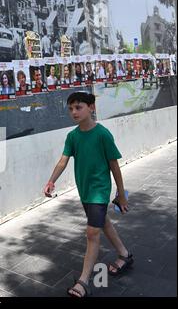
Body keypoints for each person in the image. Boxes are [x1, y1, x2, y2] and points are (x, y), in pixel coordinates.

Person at [43, 92, 132, 297]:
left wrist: (121, 194)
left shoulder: (103, 134)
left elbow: (114, 167)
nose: (74, 112)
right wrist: (51, 181)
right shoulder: (72, 136)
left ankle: (83, 282)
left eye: (78, 107)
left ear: (91, 107)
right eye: (71, 108)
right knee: (104, 222)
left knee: (92, 234)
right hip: (84, 190)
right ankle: (124, 254)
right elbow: (63, 161)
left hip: (99, 191)